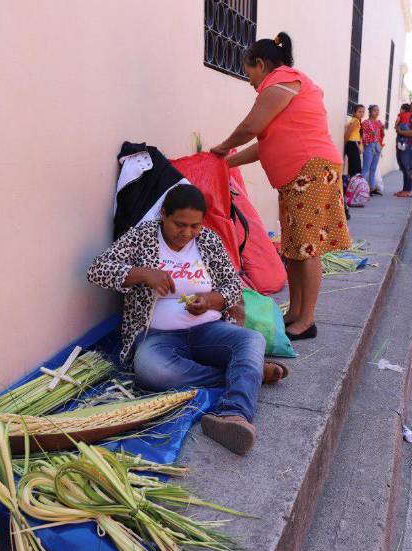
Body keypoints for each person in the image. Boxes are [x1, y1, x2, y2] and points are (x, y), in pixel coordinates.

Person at [86, 185, 288, 454]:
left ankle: (234, 415)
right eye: (179, 224)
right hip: (157, 336)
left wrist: (210, 301)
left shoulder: (208, 240)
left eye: (194, 226)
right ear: (163, 215)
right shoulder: (143, 237)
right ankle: (246, 373)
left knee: (252, 339)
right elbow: (97, 270)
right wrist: (143, 274)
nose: (186, 233)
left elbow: (232, 285)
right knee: (152, 370)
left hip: (209, 329)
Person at [210, 31, 351, 341]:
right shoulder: (283, 90)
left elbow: (250, 128)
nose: (249, 81)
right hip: (297, 177)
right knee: (295, 248)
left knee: (306, 247)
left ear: (261, 64)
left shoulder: (283, 81)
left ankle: (307, 320)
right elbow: (265, 144)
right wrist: (225, 163)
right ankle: (296, 314)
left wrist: (222, 147)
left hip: (310, 173)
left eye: (249, 72)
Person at [361, 104, 385, 195]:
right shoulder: (365, 123)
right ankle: (362, 189)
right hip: (369, 145)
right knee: (366, 168)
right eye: (375, 110)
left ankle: (371, 188)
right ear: (370, 112)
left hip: (377, 146)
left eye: (378, 110)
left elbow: (381, 135)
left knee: (373, 169)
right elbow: (363, 135)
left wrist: (382, 130)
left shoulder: (379, 123)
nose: (377, 112)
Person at [344, 104, 365, 178]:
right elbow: (348, 133)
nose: (361, 114)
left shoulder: (356, 120)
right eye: (359, 112)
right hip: (352, 144)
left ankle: (353, 185)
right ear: (354, 112)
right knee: (356, 168)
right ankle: (354, 186)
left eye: (363, 112)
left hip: (353, 144)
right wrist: (346, 143)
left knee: (353, 167)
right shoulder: (355, 121)